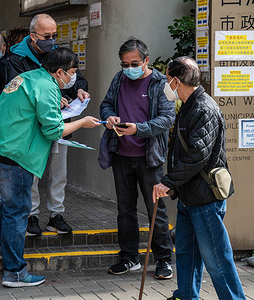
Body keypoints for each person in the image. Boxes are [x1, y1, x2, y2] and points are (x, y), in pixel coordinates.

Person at [0, 47, 100, 288]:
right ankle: (15, 272)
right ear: (60, 71)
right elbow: (53, 130)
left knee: (9, 204)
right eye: (72, 73)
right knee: (18, 209)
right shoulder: (47, 87)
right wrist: (82, 122)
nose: (73, 78)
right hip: (14, 152)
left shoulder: (31, 77)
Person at [153, 57, 246, 300]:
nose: (165, 85)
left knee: (216, 258)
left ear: (175, 80)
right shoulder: (188, 105)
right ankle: (185, 295)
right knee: (186, 252)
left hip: (205, 198)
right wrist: (174, 184)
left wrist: (169, 182)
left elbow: (198, 155)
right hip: (189, 195)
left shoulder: (203, 108)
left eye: (166, 79)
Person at [7, 13, 90, 237]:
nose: (51, 40)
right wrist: (49, 97)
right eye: (47, 36)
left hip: (61, 121)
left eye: (54, 35)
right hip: (32, 127)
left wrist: (80, 88)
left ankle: (56, 214)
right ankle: (31, 215)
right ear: (33, 36)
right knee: (32, 172)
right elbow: (18, 92)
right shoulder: (17, 58)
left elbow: (76, 78)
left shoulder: (59, 53)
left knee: (58, 172)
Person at [99, 38, 175, 279]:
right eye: (124, 64)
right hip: (121, 154)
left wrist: (138, 129)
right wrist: (110, 117)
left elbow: (166, 119)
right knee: (125, 209)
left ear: (146, 60)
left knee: (156, 209)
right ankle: (129, 257)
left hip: (149, 158)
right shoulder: (119, 78)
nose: (129, 68)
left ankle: (163, 259)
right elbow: (106, 105)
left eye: (134, 63)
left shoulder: (161, 83)